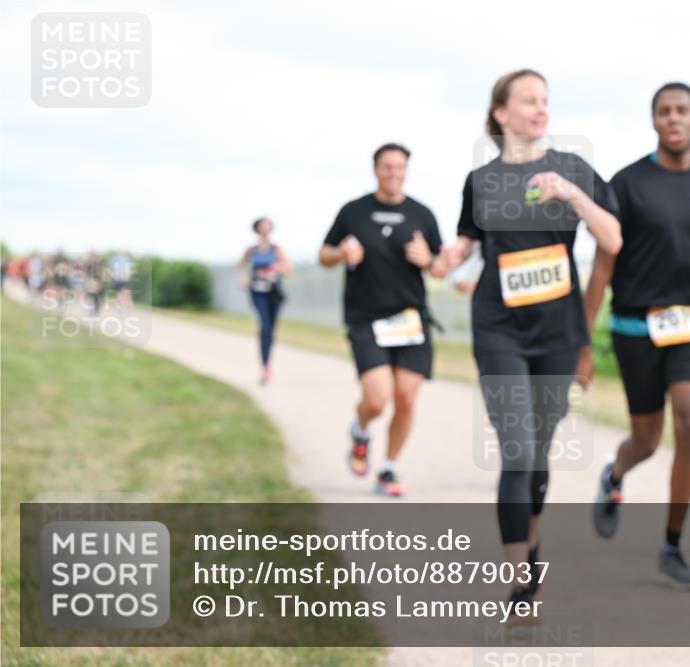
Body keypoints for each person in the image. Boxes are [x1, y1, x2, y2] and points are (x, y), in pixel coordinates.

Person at [444, 69, 622, 610]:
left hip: (556, 332)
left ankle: (533, 532)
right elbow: (465, 244)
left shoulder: (571, 168)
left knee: (539, 451)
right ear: (501, 113)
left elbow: (611, 237)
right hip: (498, 328)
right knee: (517, 447)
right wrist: (445, 258)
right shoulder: (481, 181)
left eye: (545, 101)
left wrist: (571, 194)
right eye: (528, 101)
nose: (540, 110)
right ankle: (519, 575)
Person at [581, 82, 690, 590]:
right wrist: (582, 341)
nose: (673, 118)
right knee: (646, 439)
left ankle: (671, 547)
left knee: (689, 423)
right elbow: (603, 267)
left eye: (682, 110)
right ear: (654, 122)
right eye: (664, 111)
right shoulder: (625, 184)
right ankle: (614, 473)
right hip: (633, 328)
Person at [320, 143, 447, 497]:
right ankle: (361, 430)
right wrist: (342, 253)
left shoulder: (422, 214)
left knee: (406, 398)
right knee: (377, 399)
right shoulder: (354, 211)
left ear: (407, 170)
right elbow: (323, 254)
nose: (394, 173)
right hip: (366, 319)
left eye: (400, 167)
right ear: (376, 169)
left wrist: (427, 260)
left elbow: (440, 268)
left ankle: (388, 468)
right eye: (387, 167)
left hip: (411, 321)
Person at [239, 218, 293, 384]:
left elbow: (289, 269)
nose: (265, 229)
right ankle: (265, 367)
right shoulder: (251, 250)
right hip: (258, 292)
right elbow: (240, 266)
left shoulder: (277, 250)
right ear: (257, 229)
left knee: (271, 329)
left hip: (273, 293)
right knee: (265, 327)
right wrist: (242, 279)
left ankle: (267, 362)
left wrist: (276, 269)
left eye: (268, 226)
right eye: (263, 226)